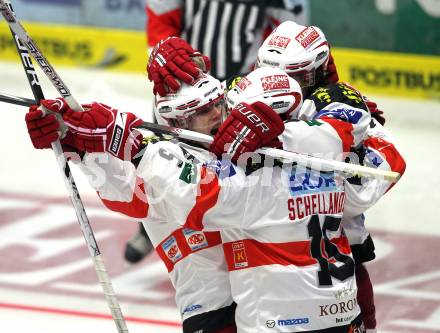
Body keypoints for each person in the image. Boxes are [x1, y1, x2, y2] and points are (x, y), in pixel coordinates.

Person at [24, 66, 372, 331]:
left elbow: (202, 194)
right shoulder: (312, 155)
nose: (218, 117)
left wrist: (122, 145)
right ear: (173, 120)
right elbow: (127, 194)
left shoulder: (241, 169)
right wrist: (81, 147)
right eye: (203, 111)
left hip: (269, 314)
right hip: (218, 311)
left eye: (220, 105)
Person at [123, 0, 312, 264]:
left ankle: (234, 241)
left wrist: (264, 85)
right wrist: (163, 58)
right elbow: (162, 16)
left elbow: (286, 37)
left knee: (235, 167)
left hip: (243, 87)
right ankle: (151, 227)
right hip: (184, 87)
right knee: (169, 161)